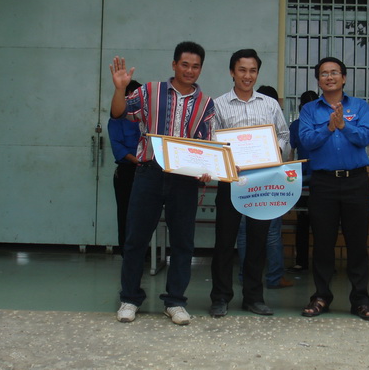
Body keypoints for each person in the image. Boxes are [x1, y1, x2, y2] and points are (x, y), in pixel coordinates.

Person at [110, 42, 215, 326]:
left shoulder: (206, 104)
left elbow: (206, 145)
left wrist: (207, 168)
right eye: (185, 65)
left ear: (201, 69)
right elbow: (119, 113)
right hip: (150, 173)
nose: (190, 70)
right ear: (174, 65)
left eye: (195, 66)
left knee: (183, 243)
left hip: (185, 179)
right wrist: (120, 89)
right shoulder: (149, 91)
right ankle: (130, 299)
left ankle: (175, 302)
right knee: (136, 239)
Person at [209, 49, 290, 317]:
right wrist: (227, 159)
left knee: (258, 240)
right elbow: (212, 141)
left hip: (261, 182)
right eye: (242, 70)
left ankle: (253, 297)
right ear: (232, 72)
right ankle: (220, 297)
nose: (247, 76)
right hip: (230, 180)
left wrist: (274, 151)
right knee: (224, 241)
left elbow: (284, 135)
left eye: (252, 70)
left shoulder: (270, 104)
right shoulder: (218, 105)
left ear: (257, 73)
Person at [298, 57, 369, 322]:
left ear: (344, 78)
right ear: (318, 80)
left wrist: (344, 125)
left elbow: (365, 137)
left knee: (357, 243)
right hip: (324, 183)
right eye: (324, 73)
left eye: (334, 73)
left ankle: (361, 300)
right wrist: (329, 127)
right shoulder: (310, 110)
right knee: (323, 243)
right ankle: (321, 296)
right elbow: (306, 140)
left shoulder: (359, 106)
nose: (329, 77)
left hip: (356, 181)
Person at [236, 85, 293, 290]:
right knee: (272, 231)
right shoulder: (273, 124)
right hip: (269, 179)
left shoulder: (243, 124)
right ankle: (275, 277)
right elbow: (285, 144)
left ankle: (245, 276)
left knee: (244, 231)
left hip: (243, 179)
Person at [108, 79, 141, 256]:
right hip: (127, 171)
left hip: (145, 171)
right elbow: (117, 146)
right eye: (133, 95)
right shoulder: (117, 118)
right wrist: (136, 160)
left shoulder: (145, 116)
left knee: (142, 215)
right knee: (125, 213)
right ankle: (126, 253)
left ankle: (143, 253)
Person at [286, 90, 319, 273]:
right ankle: (306, 262)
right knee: (306, 221)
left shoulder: (322, 123)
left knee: (315, 222)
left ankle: (308, 262)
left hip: (315, 177)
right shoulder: (297, 125)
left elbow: (290, 154)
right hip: (307, 178)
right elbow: (290, 153)